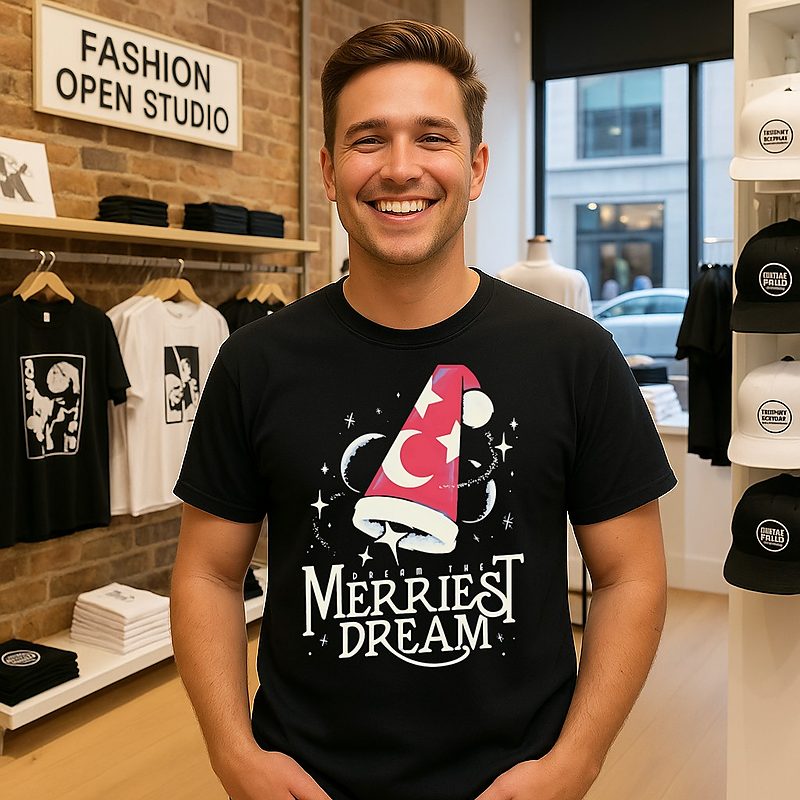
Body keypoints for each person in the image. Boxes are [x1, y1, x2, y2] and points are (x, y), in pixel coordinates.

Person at [170, 20, 676, 800]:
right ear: (329, 170)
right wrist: (232, 752)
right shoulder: (255, 362)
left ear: (476, 167)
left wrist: (577, 759)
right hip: (306, 780)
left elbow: (629, 574)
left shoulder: (575, 356)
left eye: (432, 137)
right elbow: (207, 572)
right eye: (368, 139)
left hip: (516, 781)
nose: (400, 167)